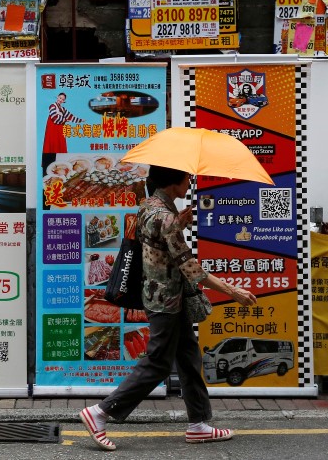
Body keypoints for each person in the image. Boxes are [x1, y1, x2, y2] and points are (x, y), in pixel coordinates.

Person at [80, 165, 257, 451]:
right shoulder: (165, 217)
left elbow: (157, 245)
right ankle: (101, 412)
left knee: (188, 357)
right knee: (159, 361)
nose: (190, 182)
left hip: (162, 296)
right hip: (166, 300)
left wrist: (180, 223)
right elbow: (191, 269)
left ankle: (198, 424)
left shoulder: (150, 206)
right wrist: (233, 292)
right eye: (188, 177)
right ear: (175, 181)